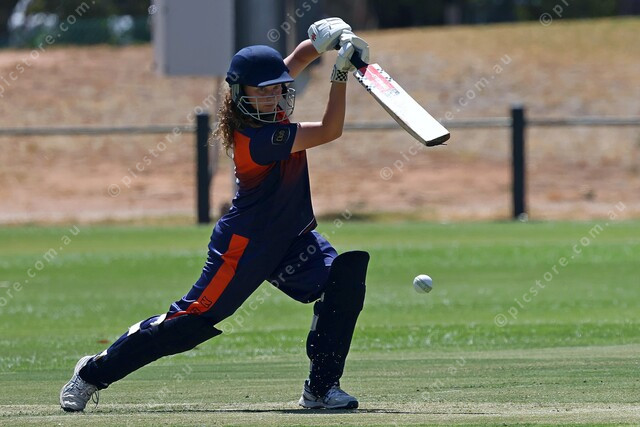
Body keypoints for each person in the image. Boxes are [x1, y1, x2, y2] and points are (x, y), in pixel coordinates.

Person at [60, 17, 370, 411]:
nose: (274, 95)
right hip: (245, 247)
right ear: (241, 95)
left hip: (293, 240)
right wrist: (340, 74)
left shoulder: (264, 105)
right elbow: (329, 130)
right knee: (188, 324)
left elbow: (291, 62)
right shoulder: (259, 139)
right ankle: (91, 373)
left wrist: (325, 41)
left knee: (343, 280)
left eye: (278, 87)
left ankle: (321, 389)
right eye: (264, 90)